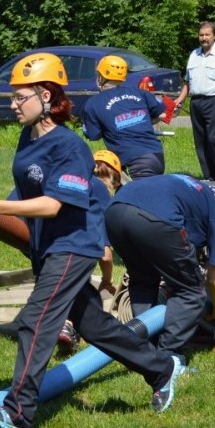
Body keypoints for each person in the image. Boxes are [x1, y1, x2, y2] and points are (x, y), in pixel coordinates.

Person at [0, 52, 187, 428]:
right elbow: (30, 189)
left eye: (21, 97)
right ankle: (161, 369)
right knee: (95, 326)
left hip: (74, 244)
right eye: (13, 98)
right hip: (48, 246)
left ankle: (18, 411)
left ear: (47, 97)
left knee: (37, 318)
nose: (14, 105)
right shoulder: (27, 136)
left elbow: (54, 204)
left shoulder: (70, 147)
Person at [104, 174, 215, 361]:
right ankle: (167, 357)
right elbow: (214, 278)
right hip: (155, 219)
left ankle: (146, 350)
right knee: (191, 291)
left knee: (143, 280)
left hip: (115, 211)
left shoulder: (205, 193)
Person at [57, 149, 122, 354]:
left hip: (48, 239)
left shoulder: (76, 179)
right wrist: (107, 279)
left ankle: (60, 323)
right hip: (71, 251)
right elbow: (105, 253)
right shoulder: (101, 194)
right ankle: (67, 324)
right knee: (88, 297)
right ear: (112, 178)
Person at [172, 22, 215, 181]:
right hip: (196, 102)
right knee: (201, 141)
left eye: (207, 35)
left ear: (214, 36)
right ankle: (210, 176)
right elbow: (188, 82)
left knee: (214, 139)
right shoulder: (193, 55)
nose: (204, 38)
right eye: (201, 35)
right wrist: (180, 100)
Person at [81, 55, 168, 179]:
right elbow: (162, 114)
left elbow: (92, 135)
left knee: (137, 197)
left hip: (133, 162)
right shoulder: (139, 92)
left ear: (101, 77)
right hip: (156, 155)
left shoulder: (93, 103)